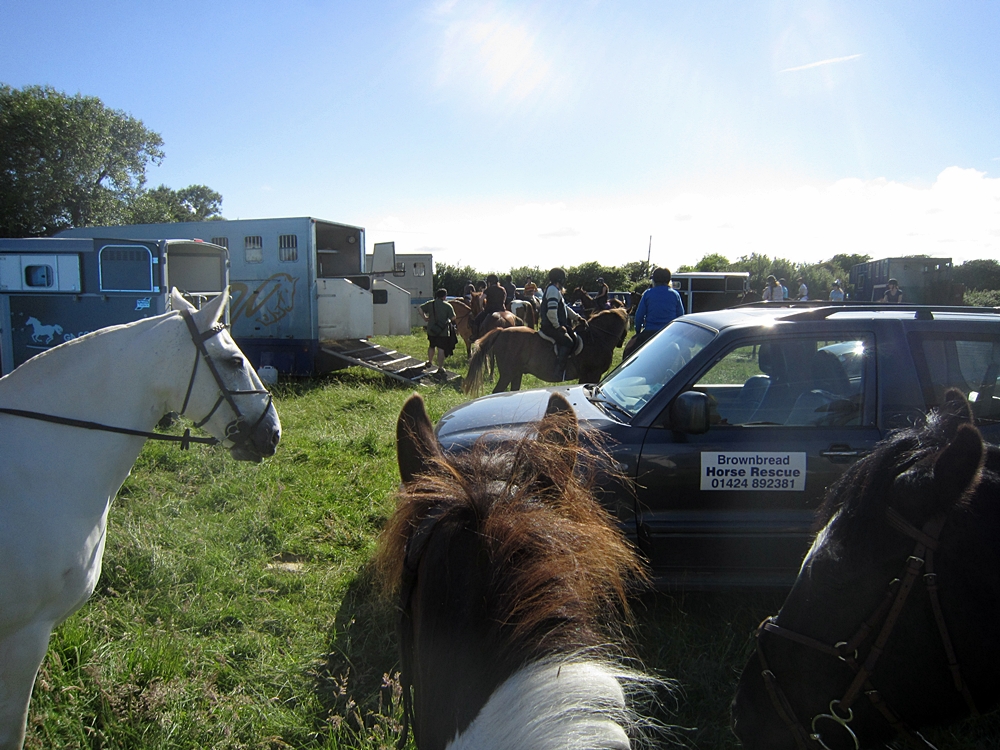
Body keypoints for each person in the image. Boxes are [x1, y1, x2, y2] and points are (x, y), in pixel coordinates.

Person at [540, 267, 585, 378]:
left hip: (554, 325)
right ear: (560, 279)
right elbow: (551, 312)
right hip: (550, 326)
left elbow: (565, 308)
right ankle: (558, 371)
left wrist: (578, 318)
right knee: (568, 342)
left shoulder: (555, 290)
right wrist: (558, 326)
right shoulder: (553, 290)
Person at [629, 267, 685, 352]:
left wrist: (637, 332)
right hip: (670, 332)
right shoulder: (675, 294)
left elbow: (639, 315)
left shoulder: (648, 294)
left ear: (654, 280)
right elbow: (681, 315)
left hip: (650, 332)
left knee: (631, 351)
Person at [420, 288, 456, 369]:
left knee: (431, 346)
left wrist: (425, 318)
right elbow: (453, 318)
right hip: (443, 331)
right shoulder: (447, 306)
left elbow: (420, 308)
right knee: (441, 349)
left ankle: (430, 361)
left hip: (431, 330)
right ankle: (440, 367)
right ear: (444, 296)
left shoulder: (430, 304)